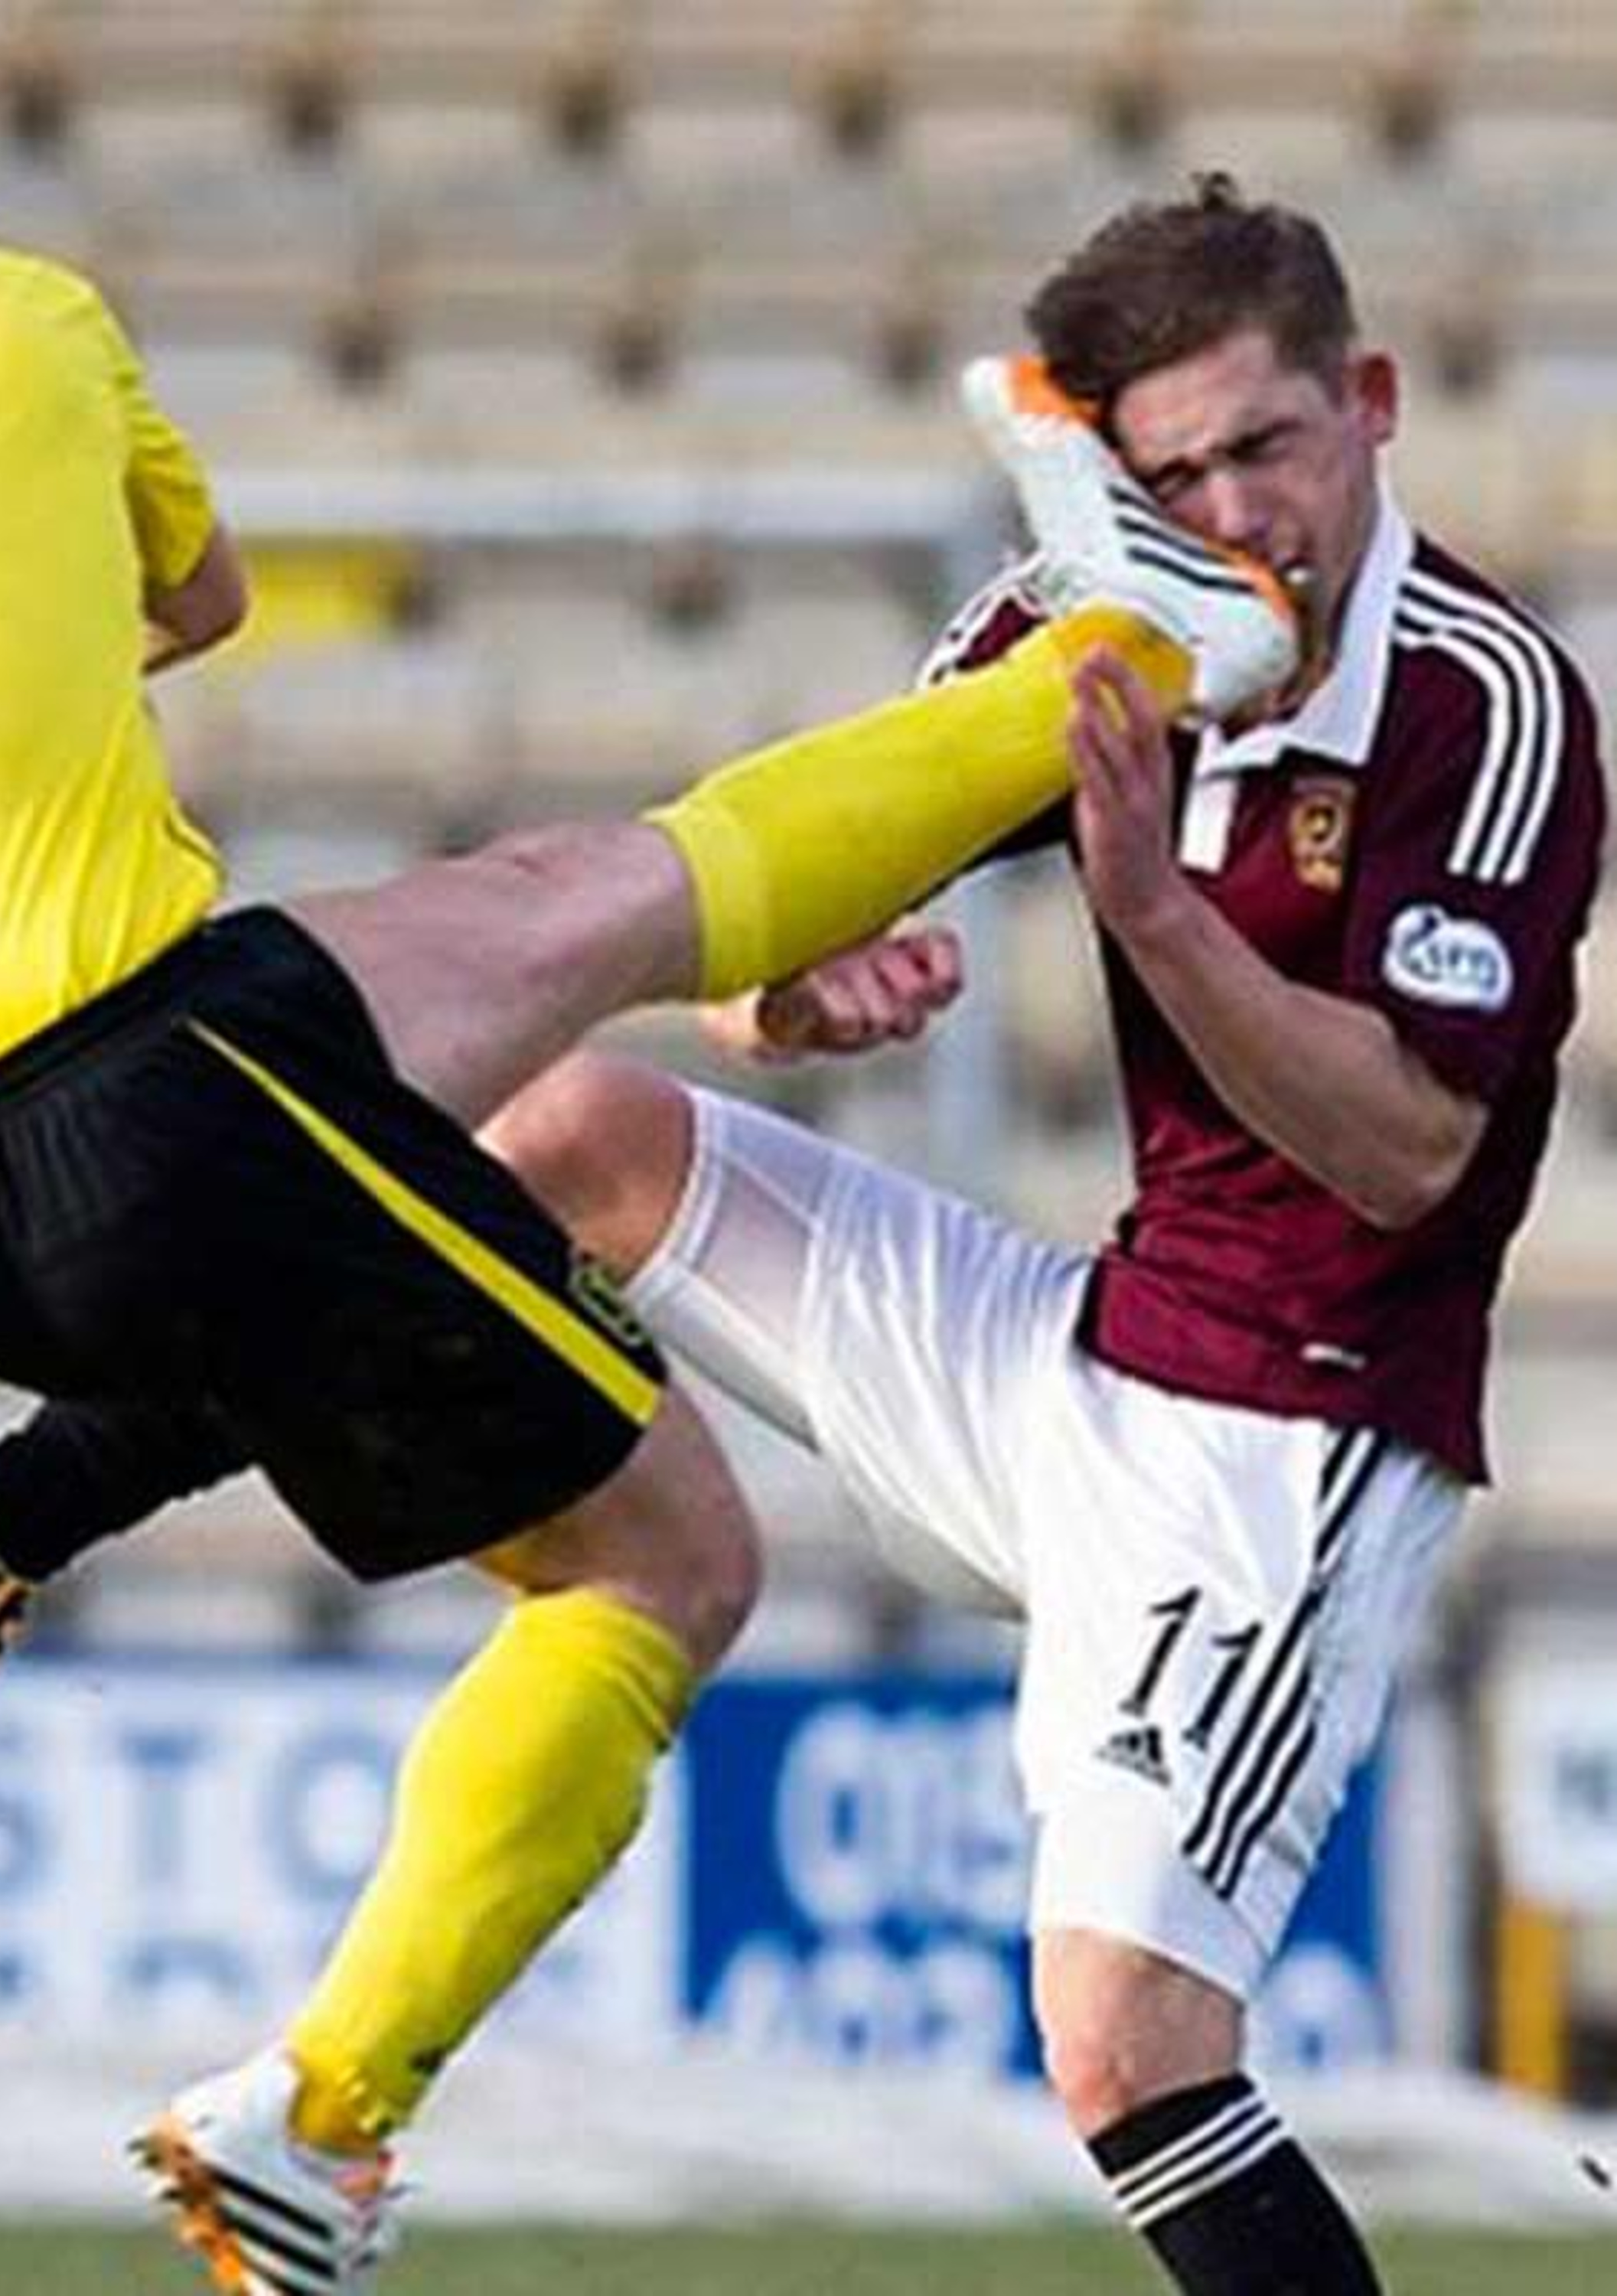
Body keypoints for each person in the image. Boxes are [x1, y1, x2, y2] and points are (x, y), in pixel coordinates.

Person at [0, 12, 1296, 2288]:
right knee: (664, 1561)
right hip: (137, 1090)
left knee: (559, 921)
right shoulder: (19, 310)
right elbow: (202, 606)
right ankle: (327, 2114)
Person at [487, 178, 1607, 2296]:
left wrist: (1157, 916)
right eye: (1173, 479)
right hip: (1076, 1349)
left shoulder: (1486, 704)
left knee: (1126, 2049)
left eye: (1268, 445)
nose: (1234, 517)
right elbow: (772, 941)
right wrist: (794, 997)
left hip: (1288, 1435)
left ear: (1371, 402)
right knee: (565, 1134)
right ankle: (43, 1504)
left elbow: (1406, 1154)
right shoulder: (1086, 620)